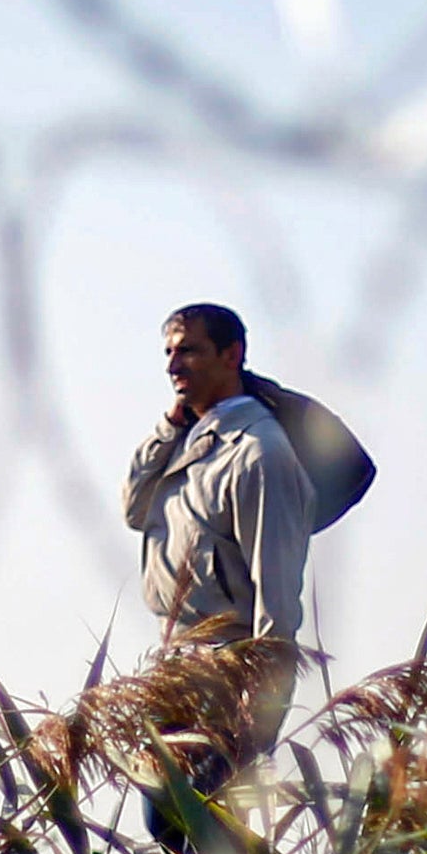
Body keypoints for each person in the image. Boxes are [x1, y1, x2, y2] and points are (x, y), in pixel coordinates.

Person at [120, 303, 313, 772]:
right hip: (175, 662)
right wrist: (170, 425)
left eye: (188, 351)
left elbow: (277, 593)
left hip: (227, 670)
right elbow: (134, 510)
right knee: (166, 821)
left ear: (232, 355)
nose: (172, 365)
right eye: (168, 351)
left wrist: (262, 710)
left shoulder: (258, 453)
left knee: (207, 826)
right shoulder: (187, 438)